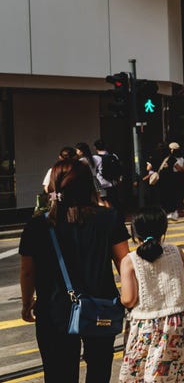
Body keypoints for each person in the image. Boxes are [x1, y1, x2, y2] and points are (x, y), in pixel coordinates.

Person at [20, 159, 130, 383]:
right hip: (101, 307)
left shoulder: (37, 225)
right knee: (99, 371)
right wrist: (131, 299)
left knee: (58, 373)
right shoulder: (109, 218)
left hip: (53, 311)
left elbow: (27, 273)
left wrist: (26, 303)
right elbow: (125, 262)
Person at [119, 209, 184, 382]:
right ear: (164, 230)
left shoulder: (130, 260)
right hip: (178, 322)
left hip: (145, 325)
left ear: (135, 234)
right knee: (173, 374)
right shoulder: (177, 253)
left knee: (141, 374)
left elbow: (129, 299)